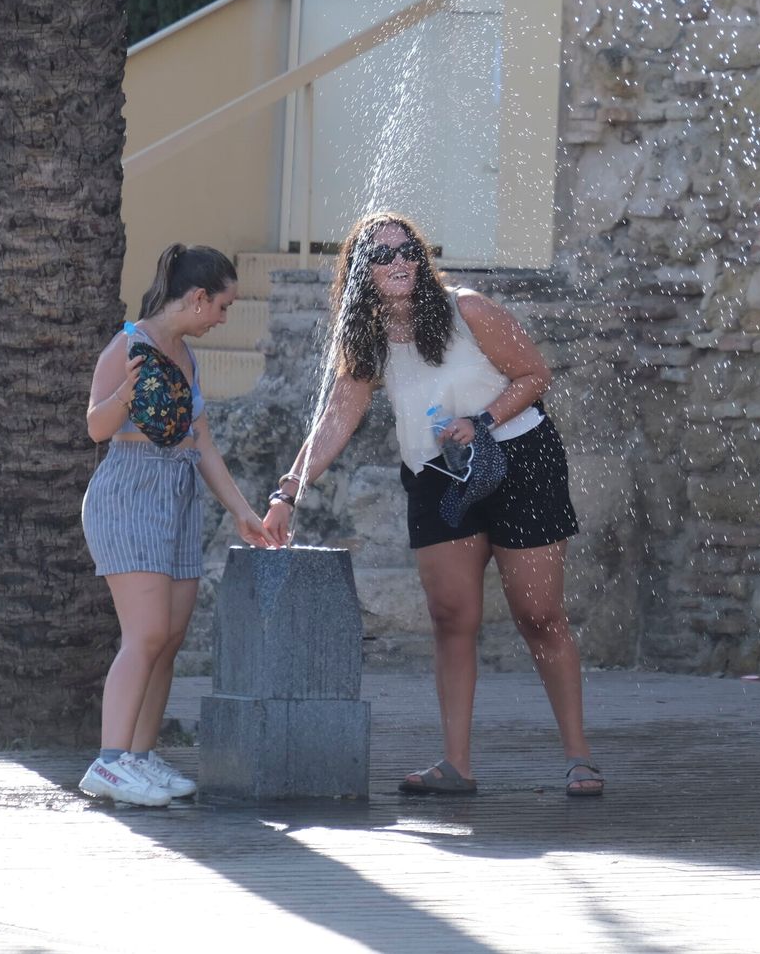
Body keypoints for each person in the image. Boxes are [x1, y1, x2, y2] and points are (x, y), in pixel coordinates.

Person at [260, 212, 603, 796]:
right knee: (451, 618)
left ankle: (579, 757)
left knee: (538, 615)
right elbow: (338, 416)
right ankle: (456, 765)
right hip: (439, 473)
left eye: (407, 251)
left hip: (519, 459)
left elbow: (533, 374)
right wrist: (289, 487)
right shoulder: (364, 337)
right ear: (361, 271)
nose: (398, 262)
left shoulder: (465, 309)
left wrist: (483, 421)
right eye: (382, 255)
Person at [77, 243, 271, 807]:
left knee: (170, 639)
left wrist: (241, 510)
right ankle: (109, 763)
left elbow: (201, 442)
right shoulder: (128, 344)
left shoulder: (186, 354)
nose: (223, 318)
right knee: (146, 635)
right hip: (129, 494)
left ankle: (137, 756)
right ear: (196, 297)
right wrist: (123, 393)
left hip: (178, 497)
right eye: (222, 307)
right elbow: (95, 427)